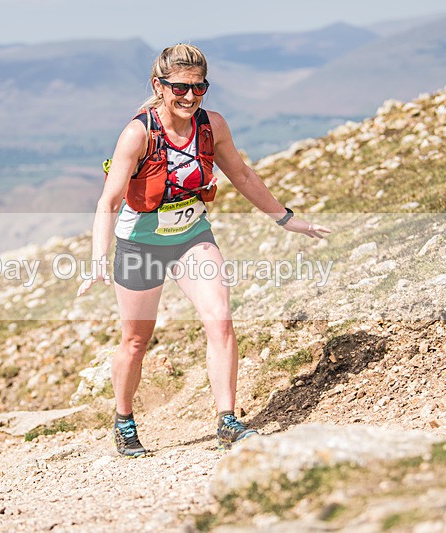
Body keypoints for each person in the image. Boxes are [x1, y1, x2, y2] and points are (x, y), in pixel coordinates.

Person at [77, 44, 331, 456]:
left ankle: (227, 420)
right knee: (136, 341)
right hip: (140, 243)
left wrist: (286, 218)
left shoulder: (212, 125)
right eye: (180, 88)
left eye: (199, 88)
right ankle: (124, 419)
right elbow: (107, 201)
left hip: (192, 237)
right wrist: (97, 261)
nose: (190, 97)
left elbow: (243, 174)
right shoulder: (138, 133)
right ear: (159, 86)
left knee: (220, 320)